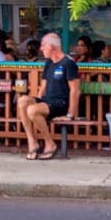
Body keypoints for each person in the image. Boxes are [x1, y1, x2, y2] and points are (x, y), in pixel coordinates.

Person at [16, 32, 80, 160]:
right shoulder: (49, 63)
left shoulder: (68, 63)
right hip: (47, 102)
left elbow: (75, 91)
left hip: (61, 104)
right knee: (23, 100)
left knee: (32, 110)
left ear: (52, 46)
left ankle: (49, 143)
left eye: (43, 45)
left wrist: (70, 115)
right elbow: (43, 87)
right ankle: (32, 142)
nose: (41, 48)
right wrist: (38, 100)